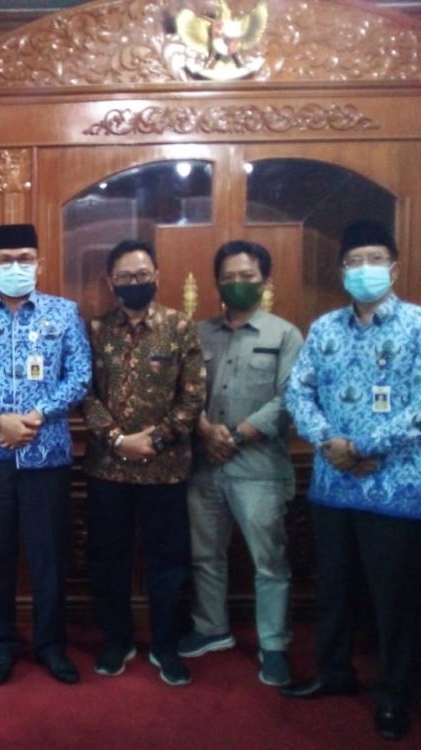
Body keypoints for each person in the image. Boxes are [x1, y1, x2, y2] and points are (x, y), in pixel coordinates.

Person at [283, 219, 421, 742]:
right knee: (334, 588)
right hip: (332, 484)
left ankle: (395, 692)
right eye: (355, 261)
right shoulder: (324, 329)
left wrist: (364, 446)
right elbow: (299, 392)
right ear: (342, 271)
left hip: (396, 487)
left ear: (394, 267)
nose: (366, 269)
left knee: (394, 598)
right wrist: (329, 443)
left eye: (375, 259)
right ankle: (335, 672)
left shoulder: (417, 325)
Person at [0, 223, 91, 686]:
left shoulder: (63, 313)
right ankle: (2, 645)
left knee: (49, 556)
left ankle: (51, 646)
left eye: (24, 258)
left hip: (46, 454)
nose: (15, 266)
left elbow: (79, 376)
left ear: (39, 263)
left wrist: (34, 417)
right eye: (5, 260)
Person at [178, 241, 303, 687]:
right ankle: (212, 628)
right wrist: (203, 428)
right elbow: (182, 391)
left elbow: (290, 399)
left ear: (265, 280)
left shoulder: (285, 335)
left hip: (259, 469)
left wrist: (236, 435)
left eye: (247, 276)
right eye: (228, 277)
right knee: (204, 554)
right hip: (204, 465)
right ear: (216, 283)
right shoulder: (197, 333)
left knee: (269, 561)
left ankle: (274, 645)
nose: (237, 284)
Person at [83, 239, 205, 687]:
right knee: (108, 559)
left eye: (142, 275)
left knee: (168, 563)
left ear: (157, 276)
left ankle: (166, 645)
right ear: (110, 281)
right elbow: (84, 393)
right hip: (107, 468)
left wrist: (154, 439)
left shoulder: (179, 327)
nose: (134, 282)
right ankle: (116, 641)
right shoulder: (95, 329)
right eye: (125, 276)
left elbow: (193, 396)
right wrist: (117, 439)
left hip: (165, 468)